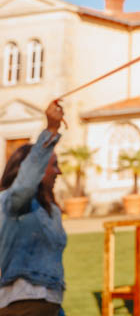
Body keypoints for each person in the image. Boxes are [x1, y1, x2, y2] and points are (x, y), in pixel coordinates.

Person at [0, 100, 67, 316]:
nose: (59, 172)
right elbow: (25, 183)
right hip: (18, 305)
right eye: (53, 165)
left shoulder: (52, 210)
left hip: (49, 306)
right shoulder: (14, 204)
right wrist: (51, 130)